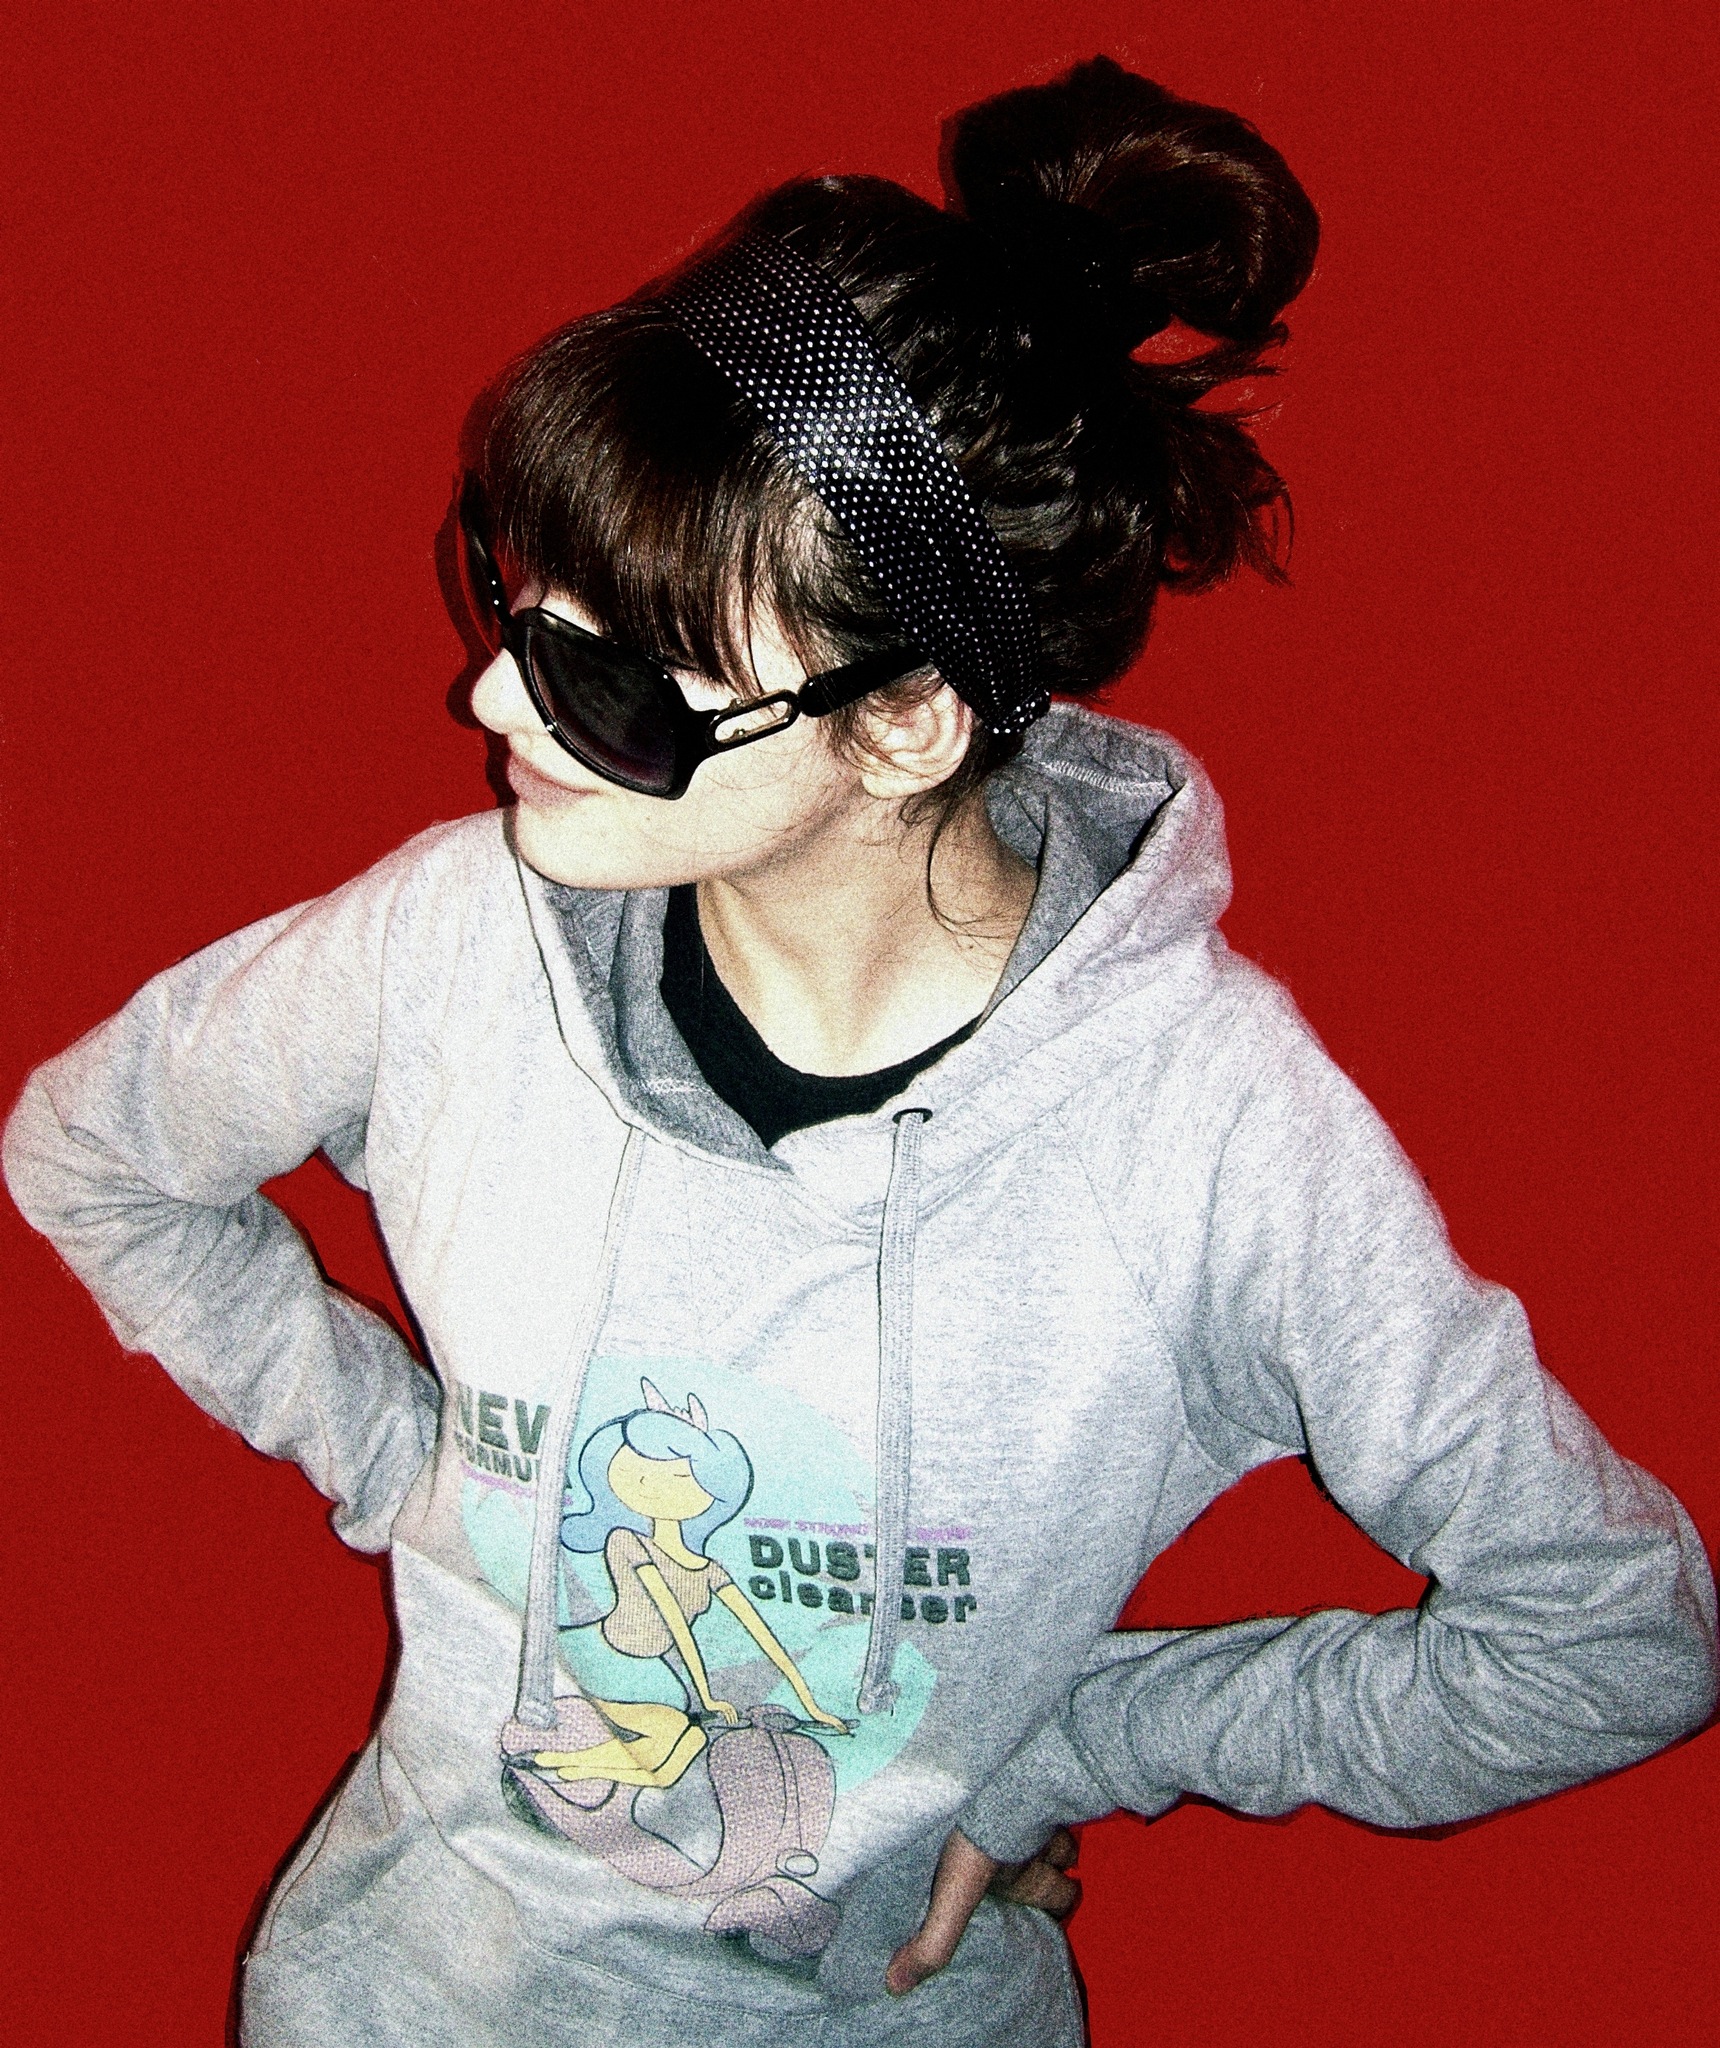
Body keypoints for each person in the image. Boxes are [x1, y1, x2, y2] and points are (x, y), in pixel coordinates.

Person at [4, 53, 1713, 2048]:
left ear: (902, 726)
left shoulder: (1203, 1133)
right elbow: (94, 1154)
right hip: (399, 1995)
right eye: (512, 590)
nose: (493, 700)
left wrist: (1081, 1742)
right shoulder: (447, 945)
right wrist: (411, 1471)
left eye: (620, 683)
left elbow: (1607, 1639)